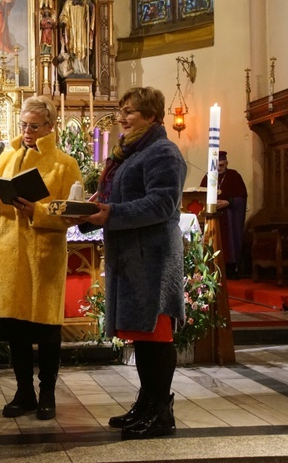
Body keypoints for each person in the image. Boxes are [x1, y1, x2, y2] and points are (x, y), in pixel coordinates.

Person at [78, 87, 186, 439]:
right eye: (120, 111)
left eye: (129, 112)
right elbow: (112, 199)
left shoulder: (163, 152)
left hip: (153, 257)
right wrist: (84, 212)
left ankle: (161, 411)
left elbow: (162, 204)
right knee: (142, 336)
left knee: (156, 336)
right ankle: (146, 403)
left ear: (151, 116)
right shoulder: (128, 153)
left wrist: (112, 212)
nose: (121, 117)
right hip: (132, 254)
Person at [0, 95, 82, 421]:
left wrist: (36, 210)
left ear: (50, 126)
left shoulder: (65, 164)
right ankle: (24, 392)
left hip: (43, 254)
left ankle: (47, 393)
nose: (27, 131)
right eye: (23, 125)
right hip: (10, 252)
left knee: (46, 329)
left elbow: (72, 213)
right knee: (15, 329)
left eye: (34, 126)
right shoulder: (6, 158)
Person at [200, 150, 248, 279]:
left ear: (226, 163)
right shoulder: (208, 177)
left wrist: (228, 202)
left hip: (229, 216)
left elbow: (241, 197)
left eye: (221, 165)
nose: (219, 168)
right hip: (213, 217)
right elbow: (201, 195)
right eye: (216, 166)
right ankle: (212, 269)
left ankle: (231, 269)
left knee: (229, 243)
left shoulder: (234, 176)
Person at [59, 0, 94, 75]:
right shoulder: (68, 2)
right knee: (73, 48)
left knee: (83, 48)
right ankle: (75, 69)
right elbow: (63, 15)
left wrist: (91, 5)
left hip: (83, 30)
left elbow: (92, 13)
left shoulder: (85, 1)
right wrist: (63, 21)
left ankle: (83, 69)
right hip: (72, 30)